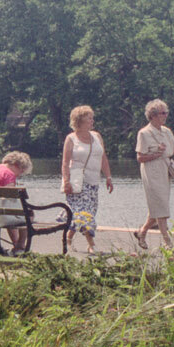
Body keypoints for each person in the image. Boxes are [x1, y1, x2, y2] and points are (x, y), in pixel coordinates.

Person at [134, 99, 174, 249]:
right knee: (161, 206)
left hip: (165, 169)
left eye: (166, 113)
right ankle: (167, 242)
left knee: (158, 206)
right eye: (163, 113)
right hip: (151, 171)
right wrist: (156, 154)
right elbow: (140, 158)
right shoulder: (144, 133)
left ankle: (142, 232)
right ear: (153, 115)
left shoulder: (166, 131)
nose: (166, 115)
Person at [60, 104, 114, 253]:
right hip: (77, 182)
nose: (92, 121)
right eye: (88, 119)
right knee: (84, 213)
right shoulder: (71, 139)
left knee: (86, 213)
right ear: (79, 121)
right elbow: (65, 162)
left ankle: (68, 239)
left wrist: (108, 177)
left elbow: (103, 157)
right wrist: (66, 181)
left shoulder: (96, 136)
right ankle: (92, 245)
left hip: (93, 181)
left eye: (92, 118)